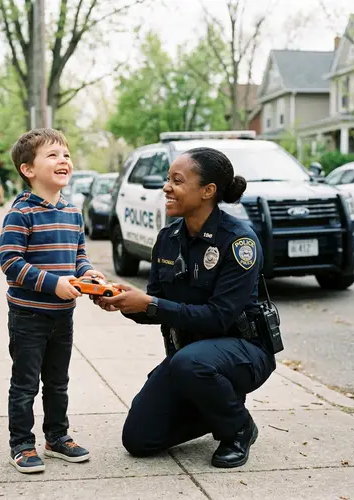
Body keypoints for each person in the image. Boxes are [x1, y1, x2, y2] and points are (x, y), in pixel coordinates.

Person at [92, 147, 276, 469]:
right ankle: (215, 407)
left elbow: (219, 318)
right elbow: (155, 305)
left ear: (208, 191)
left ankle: (237, 427)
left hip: (243, 352)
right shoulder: (168, 239)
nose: (166, 187)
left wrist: (150, 303)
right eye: (168, 179)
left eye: (177, 181)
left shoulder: (238, 242)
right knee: (139, 438)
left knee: (192, 363)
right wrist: (122, 301)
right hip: (188, 360)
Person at [0, 128, 104, 474]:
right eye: (53, 155)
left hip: (63, 316)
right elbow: (11, 264)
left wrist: (88, 275)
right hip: (29, 315)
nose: (64, 160)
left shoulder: (73, 213)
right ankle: (22, 444)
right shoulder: (21, 213)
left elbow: (79, 256)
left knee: (58, 381)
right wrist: (53, 284)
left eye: (66, 154)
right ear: (28, 169)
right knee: (25, 383)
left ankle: (57, 437)